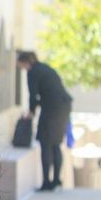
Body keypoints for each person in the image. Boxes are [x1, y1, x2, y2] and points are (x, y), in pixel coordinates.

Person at [16, 50, 73, 191]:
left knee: (45, 142)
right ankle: (56, 180)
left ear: (24, 62)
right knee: (56, 144)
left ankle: (47, 183)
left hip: (52, 109)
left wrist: (31, 112)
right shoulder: (44, 68)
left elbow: (33, 95)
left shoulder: (33, 72)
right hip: (64, 106)